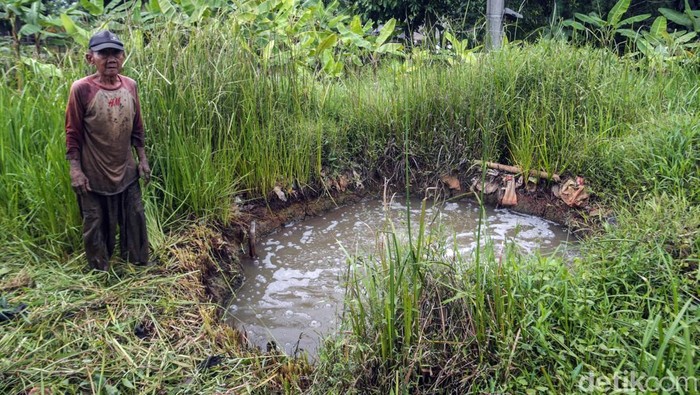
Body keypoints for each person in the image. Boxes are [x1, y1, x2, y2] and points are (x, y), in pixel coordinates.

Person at [65, 30, 151, 271]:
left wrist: (142, 159)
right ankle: (99, 272)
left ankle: (136, 264)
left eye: (116, 53)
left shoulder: (130, 85)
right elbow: (72, 133)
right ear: (90, 58)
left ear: (123, 56)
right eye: (104, 53)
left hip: (126, 168)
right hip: (93, 171)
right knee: (95, 222)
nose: (111, 58)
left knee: (134, 215)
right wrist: (75, 170)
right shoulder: (81, 89)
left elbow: (137, 126)